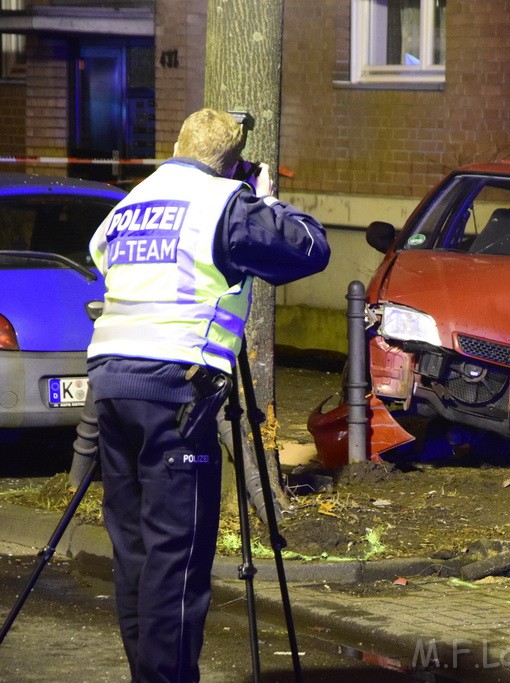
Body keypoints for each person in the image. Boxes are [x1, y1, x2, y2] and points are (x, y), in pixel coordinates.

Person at [86, 108, 330, 682]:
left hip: (111, 384)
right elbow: (309, 250)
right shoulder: (225, 203)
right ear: (230, 164)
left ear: (177, 144)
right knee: (178, 557)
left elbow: (101, 257)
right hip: (177, 392)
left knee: (136, 551)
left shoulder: (131, 201)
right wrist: (265, 199)